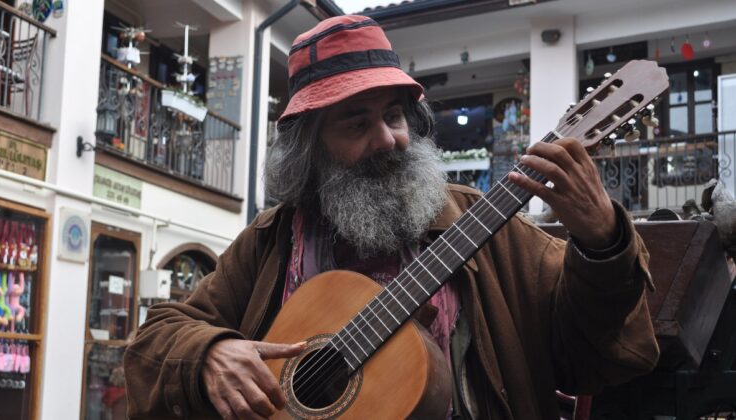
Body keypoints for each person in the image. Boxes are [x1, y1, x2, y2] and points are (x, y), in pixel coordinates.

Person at [124, 15, 659, 419]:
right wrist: (209, 353)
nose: (387, 139)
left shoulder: (483, 226)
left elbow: (597, 357)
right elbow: (155, 341)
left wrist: (603, 243)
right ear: (310, 150)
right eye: (356, 123)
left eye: (395, 116)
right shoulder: (272, 242)